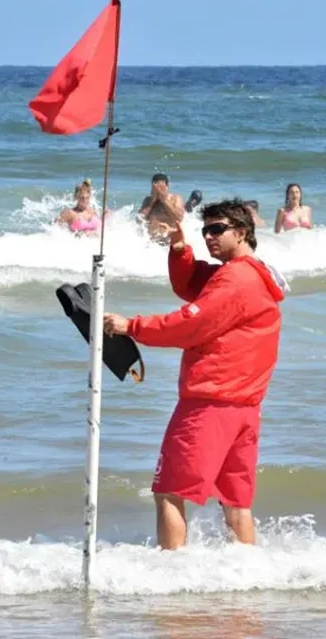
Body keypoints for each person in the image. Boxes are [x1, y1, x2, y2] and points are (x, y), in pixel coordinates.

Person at [103, 198, 288, 550]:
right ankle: (245, 576)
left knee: (169, 492)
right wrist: (178, 243)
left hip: (210, 402)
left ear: (243, 231)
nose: (209, 237)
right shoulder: (249, 273)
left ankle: (172, 577)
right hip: (244, 408)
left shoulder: (236, 278)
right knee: (235, 504)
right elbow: (192, 284)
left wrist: (132, 326)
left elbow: (191, 324)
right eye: (205, 231)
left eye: (217, 229)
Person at [138, 173, 185, 241]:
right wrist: (153, 201)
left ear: (167, 186)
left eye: (161, 188)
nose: (158, 190)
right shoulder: (148, 200)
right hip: (152, 242)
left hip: (169, 239)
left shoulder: (175, 198)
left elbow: (178, 219)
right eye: (156, 188)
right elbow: (139, 220)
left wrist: (164, 200)